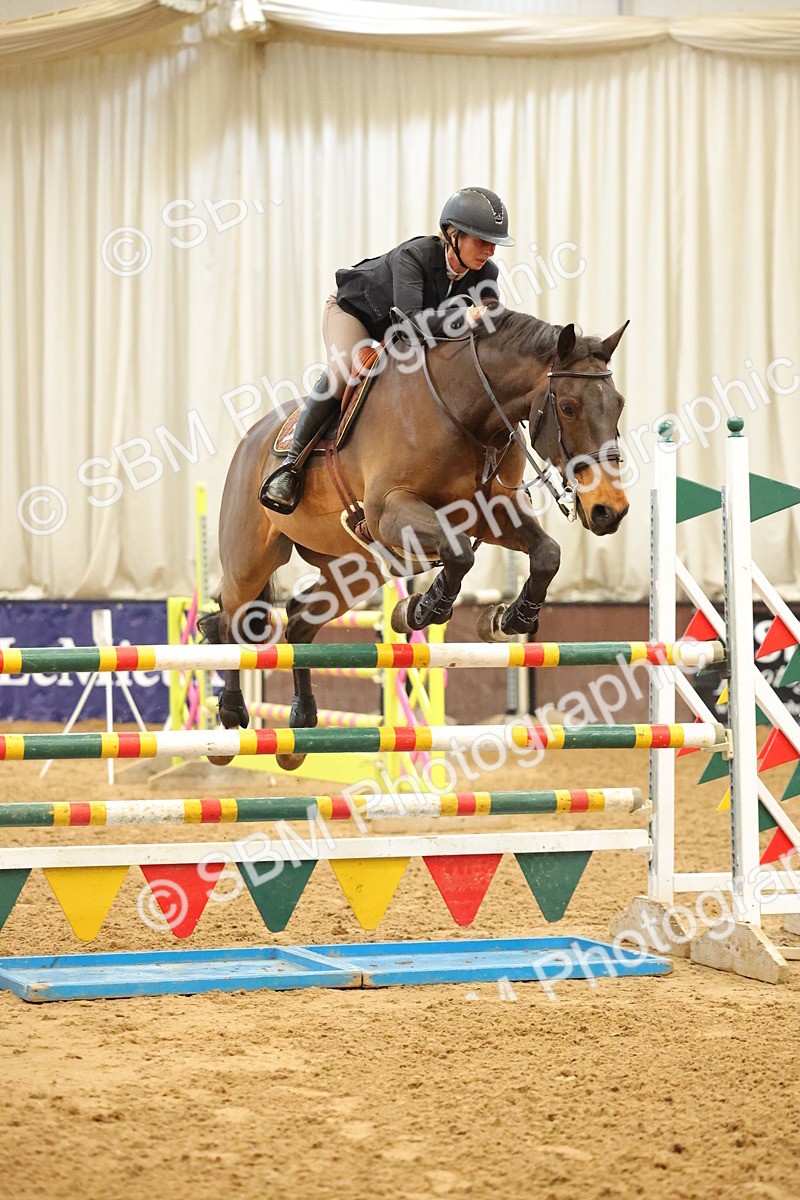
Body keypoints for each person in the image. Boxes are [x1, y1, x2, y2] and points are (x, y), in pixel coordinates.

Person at [259, 186, 515, 512]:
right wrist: (465, 315)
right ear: (453, 235)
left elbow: (487, 333)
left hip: (402, 332)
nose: (490, 251)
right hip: (356, 314)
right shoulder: (416, 256)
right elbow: (410, 323)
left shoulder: (486, 274)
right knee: (342, 371)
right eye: (482, 242)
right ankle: (291, 467)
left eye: (494, 244)